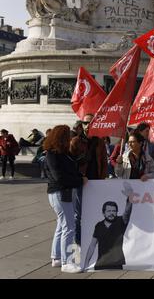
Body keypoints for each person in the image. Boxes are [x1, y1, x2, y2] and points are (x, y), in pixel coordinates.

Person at [44, 125, 88, 273]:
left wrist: (78, 177)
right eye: (67, 137)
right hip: (61, 192)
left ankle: (56, 257)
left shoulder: (61, 154)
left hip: (61, 192)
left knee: (61, 225)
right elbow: (60, 177)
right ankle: (66, 262)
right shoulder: (52, 155)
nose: (69, 139)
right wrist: (79, 181)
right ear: (60, 139)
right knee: (69, 227)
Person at [70, 114, 108, 246]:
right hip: (81, 182)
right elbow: (71, 163)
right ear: (82, 125)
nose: (88, 126)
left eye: (91, 123)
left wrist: (102, 180)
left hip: (96, 183)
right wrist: (80, 177)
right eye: (85, 123)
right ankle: (79, 242)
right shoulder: (75, 141)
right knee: (79, 214)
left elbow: (104, 162)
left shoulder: (100, 141)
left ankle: (93, 239)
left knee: (96, 212)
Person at [84, 182, 134, 270]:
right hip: (100, 264)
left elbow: (127, 211)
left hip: (117, 265)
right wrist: (85, 264)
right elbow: (92, 245)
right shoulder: (98, 225)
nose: (111, 213)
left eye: (114, 211)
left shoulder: (121, 222)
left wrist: (130, 198)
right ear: (103, 213)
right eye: (109, 211)